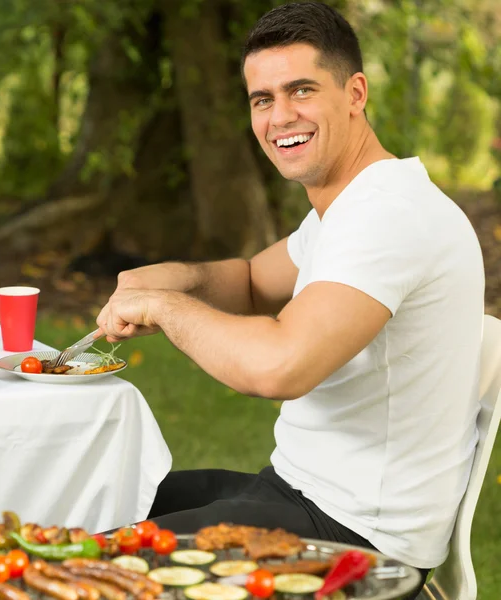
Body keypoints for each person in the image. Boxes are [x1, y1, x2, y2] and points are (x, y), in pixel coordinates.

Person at [95, 1, 485, 595]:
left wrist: (163, 308)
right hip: (298, 491)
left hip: (353, 537)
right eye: (262, 99)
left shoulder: (389, 216)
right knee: (95, 498)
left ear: (355, 92)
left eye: (300, 90)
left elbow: (281, 366)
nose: (280, 116)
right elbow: (253, 281)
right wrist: (168, 277)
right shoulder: (350, 206)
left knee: (94, 569)